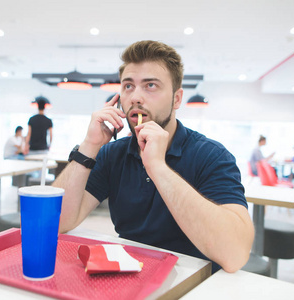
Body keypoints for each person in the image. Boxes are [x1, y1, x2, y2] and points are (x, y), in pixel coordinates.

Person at [53, 40, 254, 273]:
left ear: (176, 99)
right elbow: (57, 223)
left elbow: (235, 255)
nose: (135, 97)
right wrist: (89, 145)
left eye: (150, 86)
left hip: (195, 282)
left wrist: (158, 167)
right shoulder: (112, 154)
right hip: (130, 275)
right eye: (128, 86)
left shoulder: (211, 155)